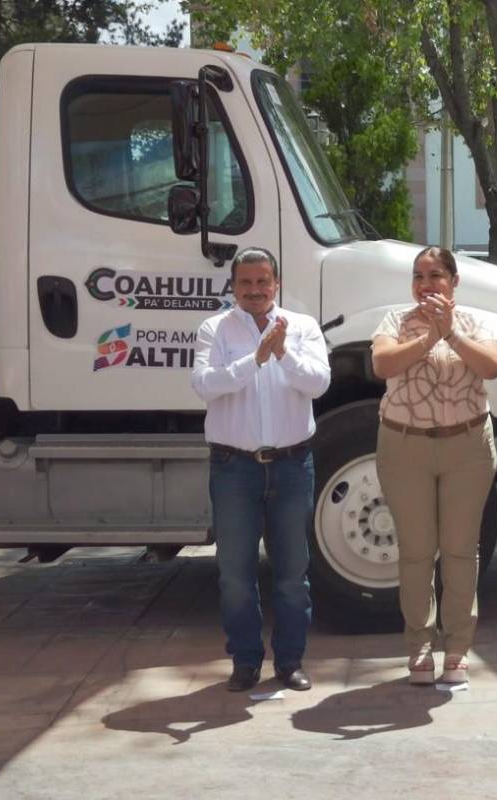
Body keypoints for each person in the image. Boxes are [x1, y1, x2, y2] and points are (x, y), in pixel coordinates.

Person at [192, 247, 330, 693]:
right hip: (234, 467)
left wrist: (282, 352)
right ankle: (246, 661)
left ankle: (289, 662)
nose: (255, 290)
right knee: (235, 575)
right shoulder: (214, 329)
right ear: (233, 286)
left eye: (262, 281)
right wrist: (254, 358)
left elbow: (318, 383)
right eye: (246, 282)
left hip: (291, 466)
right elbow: (204, 385)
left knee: (292, 575)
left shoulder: (301, 327)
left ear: (276, 284)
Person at [371, 246, 497, 685]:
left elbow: (492, 366)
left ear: (454, 281)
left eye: (435, 276)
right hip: (405, 447)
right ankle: (420, 647)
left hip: (467, 447)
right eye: (419, 276)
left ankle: (458, 648)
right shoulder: (395, 321)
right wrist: (429, 337)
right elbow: (382, 363)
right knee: (417, 551)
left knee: (461, 549)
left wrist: (452, 335)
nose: (426, 285)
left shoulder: (474, 323)